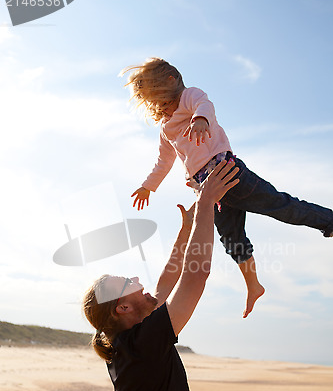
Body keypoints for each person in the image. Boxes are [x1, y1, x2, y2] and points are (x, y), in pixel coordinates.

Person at [123, 57, 333, 319]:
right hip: (210, 192)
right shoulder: (166, 129)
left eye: (161, 98)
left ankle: (329, 221)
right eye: (154, 103)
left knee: (280, 206)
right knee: (232, 240)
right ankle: (254, 285)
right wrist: (148, 187)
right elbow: (163, 161)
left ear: (171, 81)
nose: (159, 106)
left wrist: (201, 119)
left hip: (229, 174)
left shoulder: (190, 98)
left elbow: (205, 104)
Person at [82, 160, 239, 391]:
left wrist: (185, 233)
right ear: (123, 307)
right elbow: (196, 276)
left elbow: (169, 278)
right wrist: (207, 204)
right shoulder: (140, 345)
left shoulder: (131, 341)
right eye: (129, 282)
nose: (139, 280)